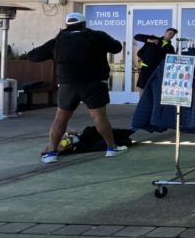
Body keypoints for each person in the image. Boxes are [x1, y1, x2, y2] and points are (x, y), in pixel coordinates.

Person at [27, 12, 128, 163]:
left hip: (68, 84)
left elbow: (33, 56)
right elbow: (117, 48)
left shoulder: (58, 40)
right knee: (99, 116)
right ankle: (111, 148)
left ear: (67, 25)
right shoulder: (97, 35)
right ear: (84, 24)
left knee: (61, 118)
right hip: (94, 83)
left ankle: (52, 153)